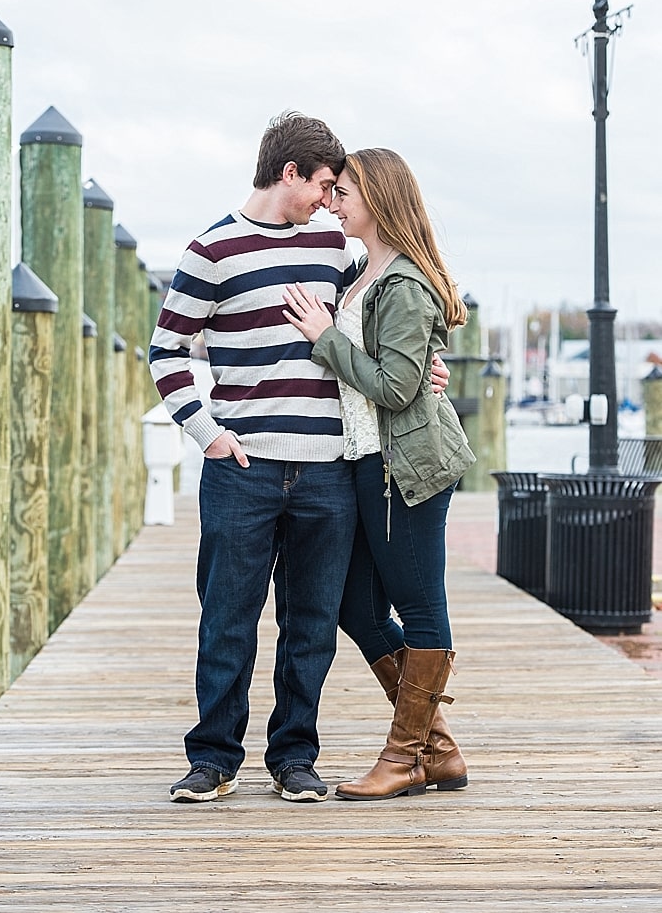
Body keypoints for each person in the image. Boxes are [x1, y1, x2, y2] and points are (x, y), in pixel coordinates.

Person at [150, 111, 359, 804]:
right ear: (289, 172)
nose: (331, 201)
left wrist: (428, 357)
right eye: (324, 185)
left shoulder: (336, 243)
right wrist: (207, 432)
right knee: (228, 617)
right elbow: (166, 352)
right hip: (241, 467)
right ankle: (212, 758)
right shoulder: (212, 249)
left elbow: (387, 299)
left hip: (327, 468)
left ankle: (294, 756)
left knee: (311, 625)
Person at [282, 147, 474, 801]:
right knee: (356, 605)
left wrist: (324, 337)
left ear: (378, 196)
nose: (333, 204)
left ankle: (404, 758)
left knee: (420, 607)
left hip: (406, 467)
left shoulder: (406, 283)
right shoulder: (367, 272)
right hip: (366, 461)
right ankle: (438, 748)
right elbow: (408, 369)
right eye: (330, 192)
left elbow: (395, 387)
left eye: (343, 193)